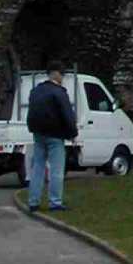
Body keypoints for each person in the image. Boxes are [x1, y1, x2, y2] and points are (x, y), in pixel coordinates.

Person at [26, 61, 78, 213]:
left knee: (37, 168)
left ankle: (33, 202)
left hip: (38, 134)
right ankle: (55, 202)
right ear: (55, 73)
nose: (63, 77)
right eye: (62, 74)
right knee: (56, 170)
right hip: (55, 136)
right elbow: (67, 115)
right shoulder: (59, 92)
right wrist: (73, 134)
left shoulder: (35, 91)